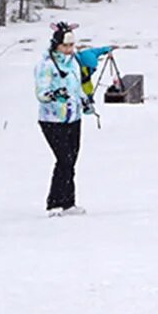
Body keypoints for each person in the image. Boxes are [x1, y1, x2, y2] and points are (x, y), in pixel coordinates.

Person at [34, 25, 91, 216]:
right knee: (63, 159)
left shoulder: (73, 62)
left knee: (72, 159)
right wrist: (54, 95)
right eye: (65, 45)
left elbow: (77, 86)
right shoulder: (46, 65)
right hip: (52, 119)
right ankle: (54, 203)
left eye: (72, 45)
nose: (69, 49)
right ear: (56, 45)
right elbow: (41, 93)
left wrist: (85, 100)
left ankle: (68, 202)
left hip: (73, 118)